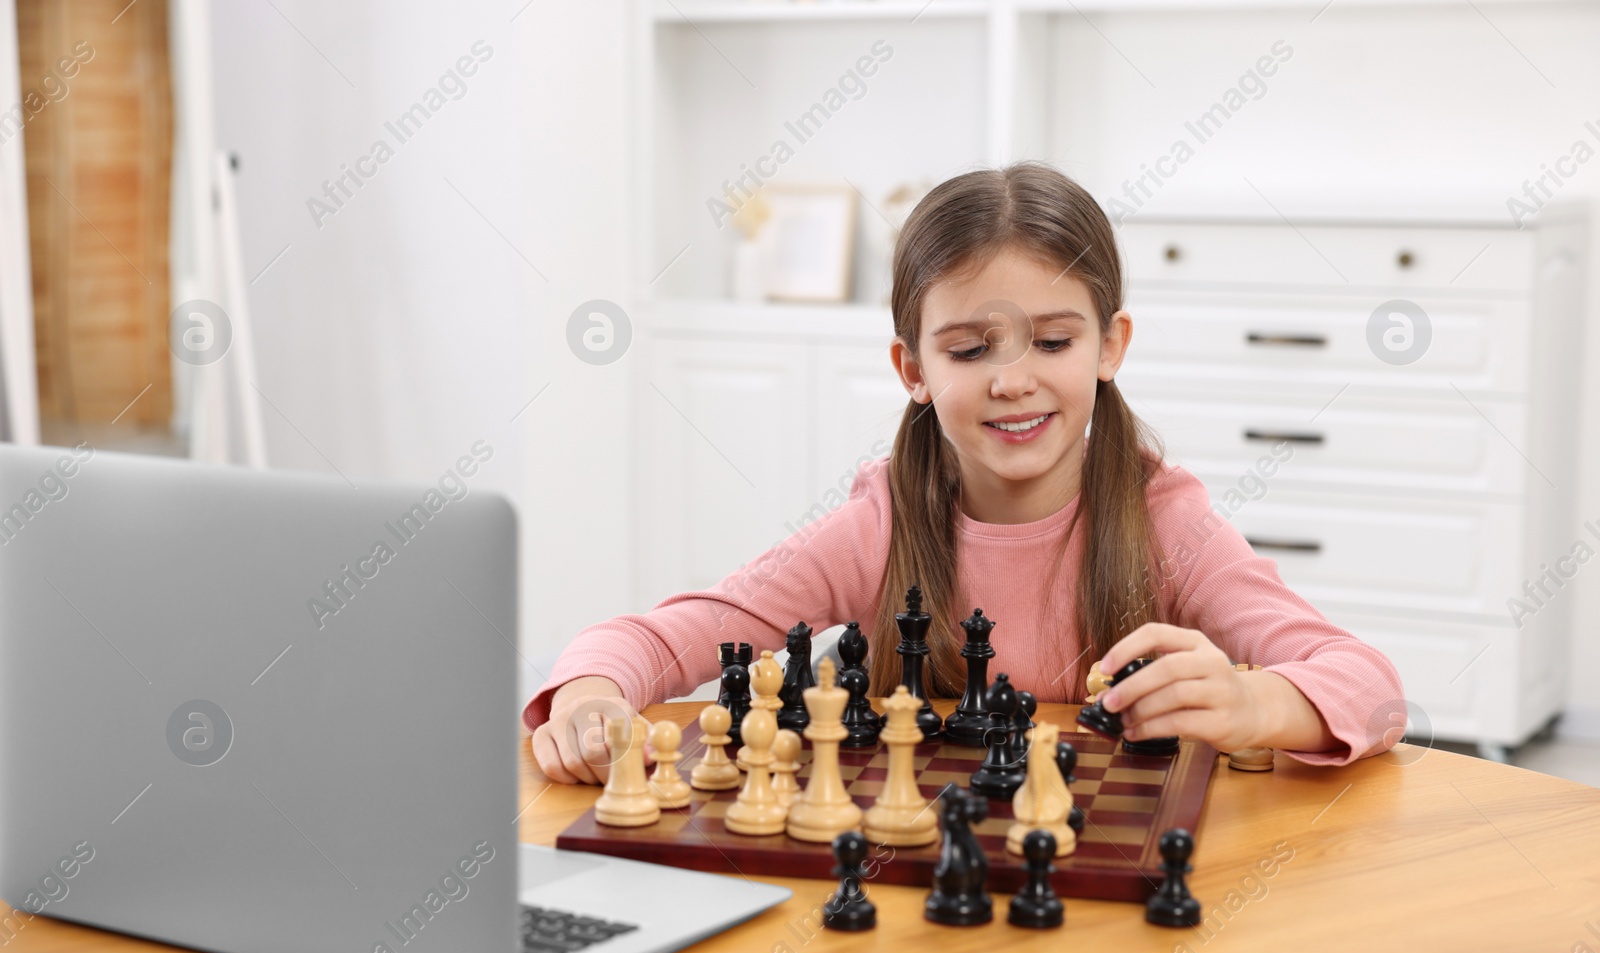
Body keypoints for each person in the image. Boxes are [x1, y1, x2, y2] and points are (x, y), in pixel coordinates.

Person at [526, 162, 1404, 784]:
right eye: (969, 348)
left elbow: (1368, 687)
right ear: (912, 369)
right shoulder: (883, 522)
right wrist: (593, 691)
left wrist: (1255, 706)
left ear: (1111, 346)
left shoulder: (1164, 521)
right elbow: (677, 630)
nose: (1013, 377)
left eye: (1053, 341)